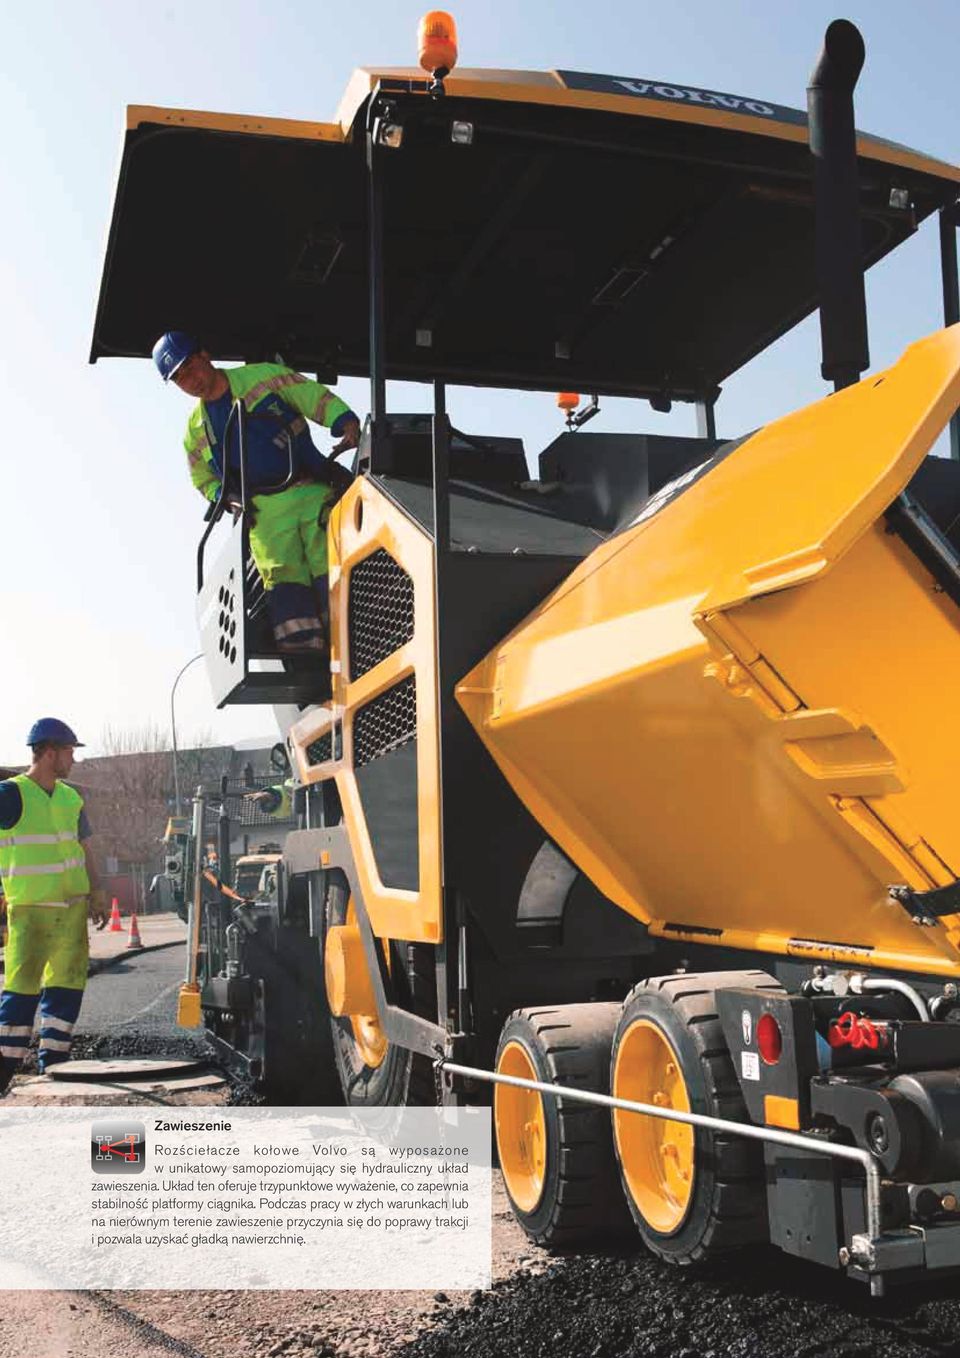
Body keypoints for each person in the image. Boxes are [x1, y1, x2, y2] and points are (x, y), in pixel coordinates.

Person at [153, 332, 361, 654]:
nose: (189, 380)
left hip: (309, 491)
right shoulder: (195, 432)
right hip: (263, 515)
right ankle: (307, 666)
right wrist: (226, 497)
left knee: (330, 567)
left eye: (189, 367)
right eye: (179, 378)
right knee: (284, 587)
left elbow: (311, 395)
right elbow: (203, 479)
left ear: (205, 355)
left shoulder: (261, 378)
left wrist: (344, 421)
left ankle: (352, 646)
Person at [0, 719, 109, 1092]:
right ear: (48, 752)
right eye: (69, 752)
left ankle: (55, 1067)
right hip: (31, 911)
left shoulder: (70, 798)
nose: (73, 760)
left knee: (66, 986)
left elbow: (85, 848)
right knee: (21, 991)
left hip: (72, 910)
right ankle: (3, 1073)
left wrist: (97, 891)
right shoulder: (9, 794)